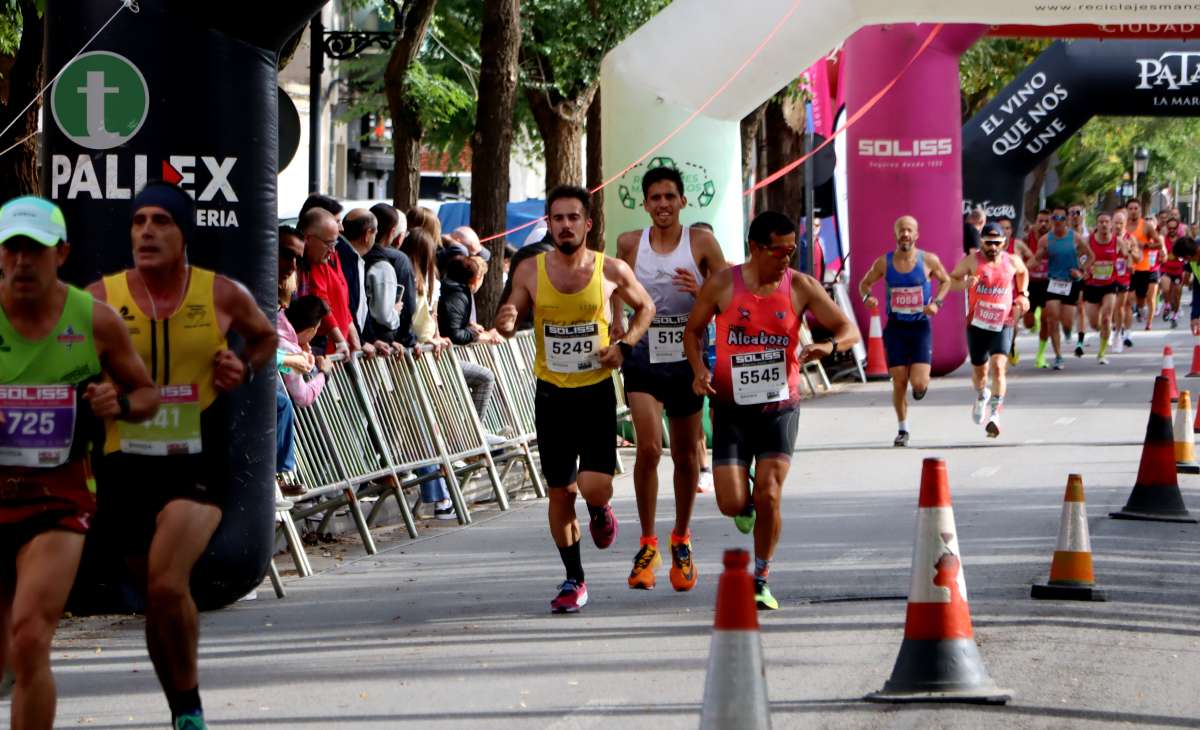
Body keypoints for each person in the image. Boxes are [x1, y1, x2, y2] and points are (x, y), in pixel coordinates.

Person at [87, 181, 277, 730]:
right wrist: (95, 391)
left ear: (184, 232)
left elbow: (264, 339)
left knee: (169, 582)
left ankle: (189, 704)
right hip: (124, 462)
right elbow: (69, 357)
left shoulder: (221, 294)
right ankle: (181, 704)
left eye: (161, 221)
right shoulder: (101, 296)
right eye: (138, 221)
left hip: (198, 458)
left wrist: (243, 366)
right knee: (156, 597)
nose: (147, 231)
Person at [0, 196, 158, 730]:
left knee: (29, 637)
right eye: (13, 249)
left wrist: (120, 404)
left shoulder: (94, 320)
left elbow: (147, 396)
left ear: (61, 253)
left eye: (36, 250)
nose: (23, 262)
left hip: (59, 497)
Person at [684, 211, 860, 610]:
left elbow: (847, 329)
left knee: (769, 493)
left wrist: (828, 347)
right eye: (779, 250)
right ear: (755, 248)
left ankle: (761, 578)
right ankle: (744, 502)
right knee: (731, 503)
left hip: (779, 407)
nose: (786, 257)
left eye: (792, 249)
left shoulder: (800, 286)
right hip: (730, 406)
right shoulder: (723, 284)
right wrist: (698, 369)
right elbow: (692, 332)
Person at [495, 185, 655, 614]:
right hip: (551, 396)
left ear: (587, 224)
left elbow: (646, 309)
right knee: (561, 492)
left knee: (593, 487)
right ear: (548, 224)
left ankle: (600, 510)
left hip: (596, 393)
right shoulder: (530, 269)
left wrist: (625, 347)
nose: (565, 226)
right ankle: (574, 579)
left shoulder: (611, 270)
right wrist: (507, 320)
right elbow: (510, 312)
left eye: (573, 218)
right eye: (557, 219)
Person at [613, 166, 728, 592]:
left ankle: (681, 538)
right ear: (645, 204)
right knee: (647, 448)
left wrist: (700, 292)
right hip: (643, 355)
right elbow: (613, 287)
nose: (662, 204)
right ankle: (647, 542)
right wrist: (615, 324)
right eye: (655, 198)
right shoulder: (630, 243)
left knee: (683, 456)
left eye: (669, 197)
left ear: (682, 201)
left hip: (686, 356)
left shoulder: (701, 243)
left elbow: (728, 296)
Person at [857, 215, 951, 447]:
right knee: (899, 382)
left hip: (920, 327)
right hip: (896, 327)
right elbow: (864, 284)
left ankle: (919, 386)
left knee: (918, 383)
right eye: (901, 230)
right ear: (896, 234)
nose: (905, 234)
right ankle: (902, 429)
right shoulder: (884, 262)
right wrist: (867, 297)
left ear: (916, 234)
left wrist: (936, 303)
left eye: (909, 230)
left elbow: (946, 281)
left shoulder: (928, 260)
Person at [948, 222, 1030, 438]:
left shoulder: (1012, 260)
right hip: (977, 324)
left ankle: (995, 414)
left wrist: (1023, 294)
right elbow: (950, 281)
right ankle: (982, 394)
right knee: (980, 374)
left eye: (996, 243)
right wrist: (965, 284)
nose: (992, 247)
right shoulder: (971, 261)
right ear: (981, 242)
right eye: (988, 243)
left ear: (1004, 242)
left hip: (1003, 322)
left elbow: (1023, 272)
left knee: (999, 366)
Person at [1030, 206, 1088, 370]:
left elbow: (1090, 255)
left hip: (1071, 283)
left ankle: (1068, 331)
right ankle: (1058, 356)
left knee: (1067, 321)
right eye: (1055, 218)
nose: (1058, 221)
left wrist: (1081, 271)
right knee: (1052, 319)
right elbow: (1036, 259)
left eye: (1062, 218)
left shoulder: (1075, 238)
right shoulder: (1046, 240)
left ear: (1067, 220)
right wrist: (1021, 269)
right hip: (1053, 282)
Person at [296, 208, 359, 354]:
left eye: (334, 244)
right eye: (328, 244)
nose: (332, 251)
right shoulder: (305, 266)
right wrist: (339, 340)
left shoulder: (318, 261)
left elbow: (343, 304)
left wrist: (352, 338)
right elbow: (321, 299)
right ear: (308, 239)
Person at [363, 204, 418, 346]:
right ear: (393, 232)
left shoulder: (357, 256)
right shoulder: (384, 265)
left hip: (366, 340)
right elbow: (385, 314)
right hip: (381, 343)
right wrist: (393, 312)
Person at [1080, 212, 1130, 365]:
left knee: (1108, 316)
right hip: (1091, 285)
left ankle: (1101, 353)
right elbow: (1078, 258)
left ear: (1111, 224)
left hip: (1110, 284)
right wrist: (1084, 270)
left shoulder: (1118, 242)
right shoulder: (1088, 241)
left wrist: (1126, 265)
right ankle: (1102, 332)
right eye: (1100, 222)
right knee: (1095, 324)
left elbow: (1126, 260)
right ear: (1097, 224)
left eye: (1106, 222)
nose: (1103, 225)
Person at [1128, 199, 1165, 330]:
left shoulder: (1146, 226)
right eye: (1131, 208)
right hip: (1130, 267)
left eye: (1135, 208)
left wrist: (1146, 245)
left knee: (1147, 298)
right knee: (1131, 297)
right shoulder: (1123, 226)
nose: (1133, 211)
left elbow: (1159, 244)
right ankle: (1135, 313)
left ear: (1140, 210)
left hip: (1145, 267)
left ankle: (1148, 321)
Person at [1023, 209, 1052, 366]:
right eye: (1040, 221)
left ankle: (1040, 356)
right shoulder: (1027, 239)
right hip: (1030, 283)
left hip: (1048, 283)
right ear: (1035, 222)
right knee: (1028, 323)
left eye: (1047, 221)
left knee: (1046, 318)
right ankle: (1034, 320)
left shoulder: (1054, 238)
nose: (1043, 224)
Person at [1111, 210, 1136, 352]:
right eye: (1116, 223)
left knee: (1121, 307)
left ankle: (1119, 334)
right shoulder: (1106, 238)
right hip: (1107, 278)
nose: (1118, 226)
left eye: (1121, 223)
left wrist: (1129, 252)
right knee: (1109, 307)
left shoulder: (1130, 239)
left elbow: (1133, 263)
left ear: (1125, 224)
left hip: (1123, 278)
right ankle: (1111, 329)